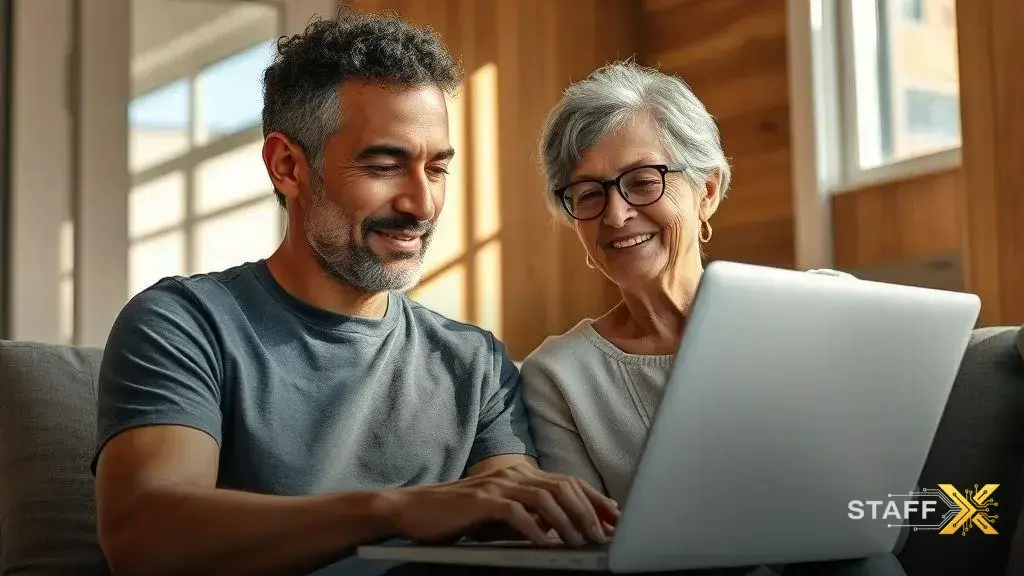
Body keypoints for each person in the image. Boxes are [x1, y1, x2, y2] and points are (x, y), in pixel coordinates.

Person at [91, 9, 617, 576]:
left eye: (436, 169)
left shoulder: (477, 362)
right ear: (287, 166)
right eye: (385, 165)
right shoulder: (183, 324)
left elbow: (512, 508)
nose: (420, 205)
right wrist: (392, 510)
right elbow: (143, 536)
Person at [521, 61, 905, 576]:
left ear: (706, 191)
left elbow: (900, 503)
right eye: (589, 194)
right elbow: (584, 549)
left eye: (641, 181)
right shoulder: (558, 374)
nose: (614, 216)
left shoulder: (821, 309)